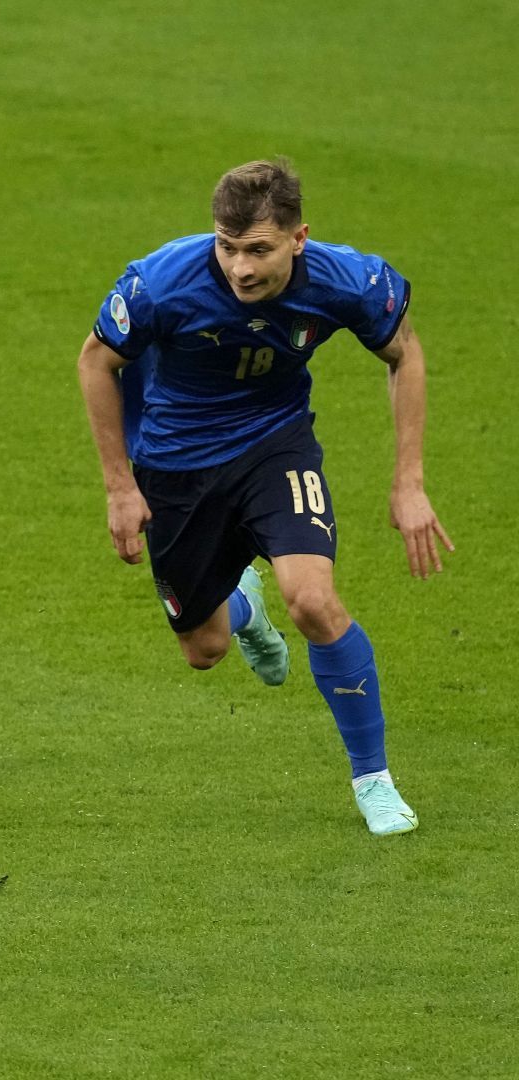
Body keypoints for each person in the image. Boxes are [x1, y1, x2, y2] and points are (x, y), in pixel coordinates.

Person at [77, 158, 453, 836]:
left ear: (298, 237)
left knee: (312, 599)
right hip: (176, 464)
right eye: (227, 246)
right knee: (205, 650)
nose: (240, 268)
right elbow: (96, 361)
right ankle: (243, 605)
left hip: (274, 446)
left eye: (258, 249)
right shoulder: (163, 281)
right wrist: (120, 486)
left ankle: (374, 780)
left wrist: (409, 481)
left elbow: (405, 353)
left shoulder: (347, 281)